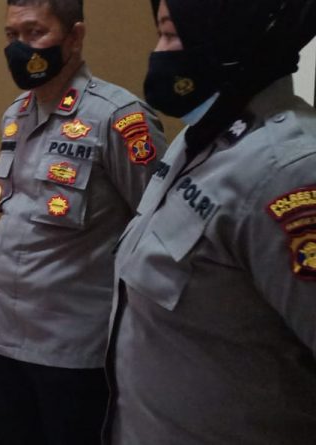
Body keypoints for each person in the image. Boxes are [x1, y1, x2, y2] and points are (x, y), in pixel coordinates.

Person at [104, 0, 316, 443]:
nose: (158, 53)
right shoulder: (200, 139)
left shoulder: (289, 172)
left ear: (227, 38)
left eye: (171, 35)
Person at [0, 0, 167, 443]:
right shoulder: (16, 115)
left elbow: (158, 230)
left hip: (73, 351)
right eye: (12, 35)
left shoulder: (119, 118)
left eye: (35, 33)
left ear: (75, 37)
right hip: (3, 338)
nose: (21, 47)